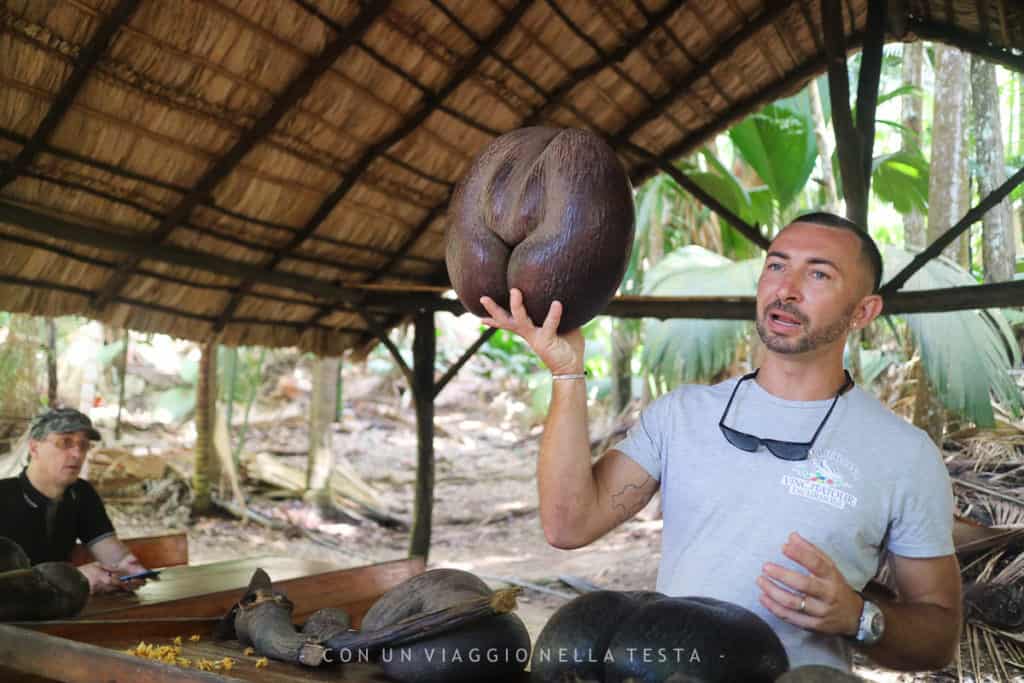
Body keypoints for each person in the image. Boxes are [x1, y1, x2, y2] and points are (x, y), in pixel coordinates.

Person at [479, 212, 961, 672]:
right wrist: (567, 373)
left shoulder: (904, 455)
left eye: (818, 275)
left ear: (863, 311)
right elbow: (568, 525)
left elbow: (939, 638)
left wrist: (860, 618)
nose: (785, 290)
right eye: (776, 266)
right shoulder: (681, 415)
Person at [0, 407, 149, 593]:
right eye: (65, 442)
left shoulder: (81, 493)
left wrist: (129, 567)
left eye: (84, 445)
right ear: (34, 447)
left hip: (63, 610)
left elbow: (112, 554)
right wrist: (75, 577)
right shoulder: (4, 497)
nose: (77, 454)